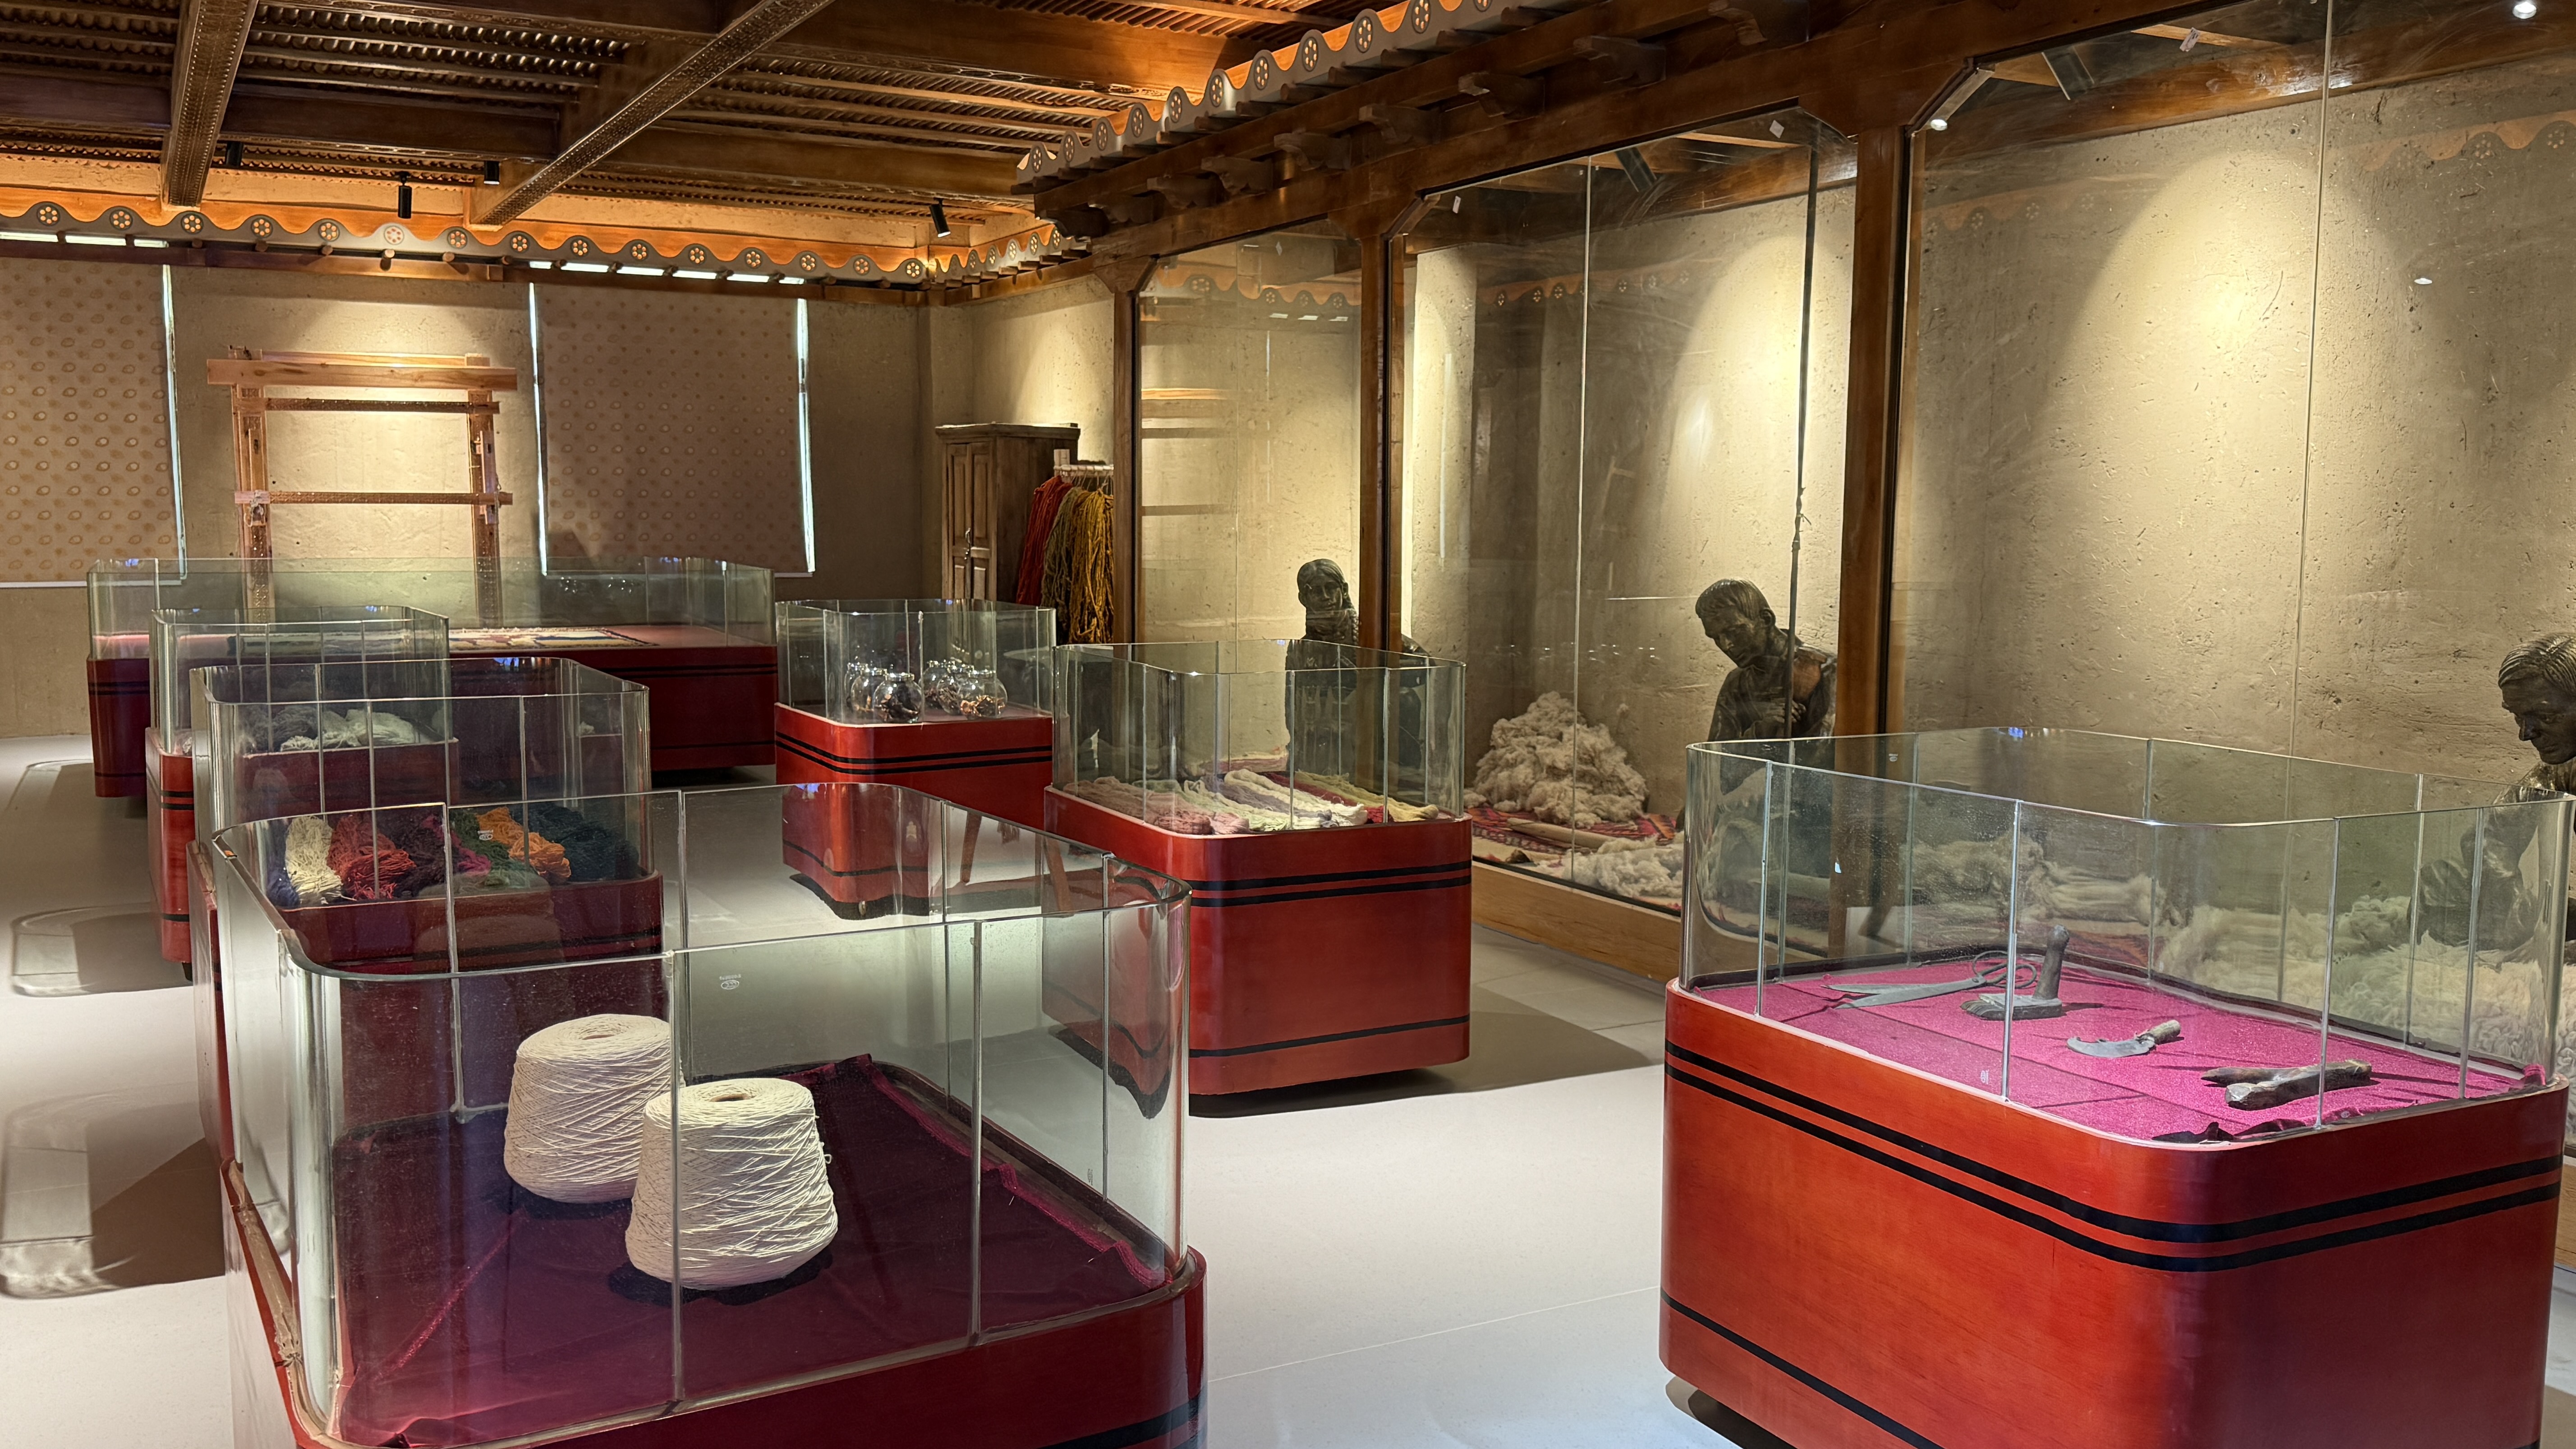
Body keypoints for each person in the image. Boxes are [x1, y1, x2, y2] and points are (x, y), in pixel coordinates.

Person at [1695, 579, 1834, 741]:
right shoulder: (1736, 684)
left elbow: (1827, 748)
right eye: (1716, 638)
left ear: (1766, 619)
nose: (1726, 645)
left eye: (1734, 631)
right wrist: (1761, 731)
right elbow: (1716, 752)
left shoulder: (1827, 670)